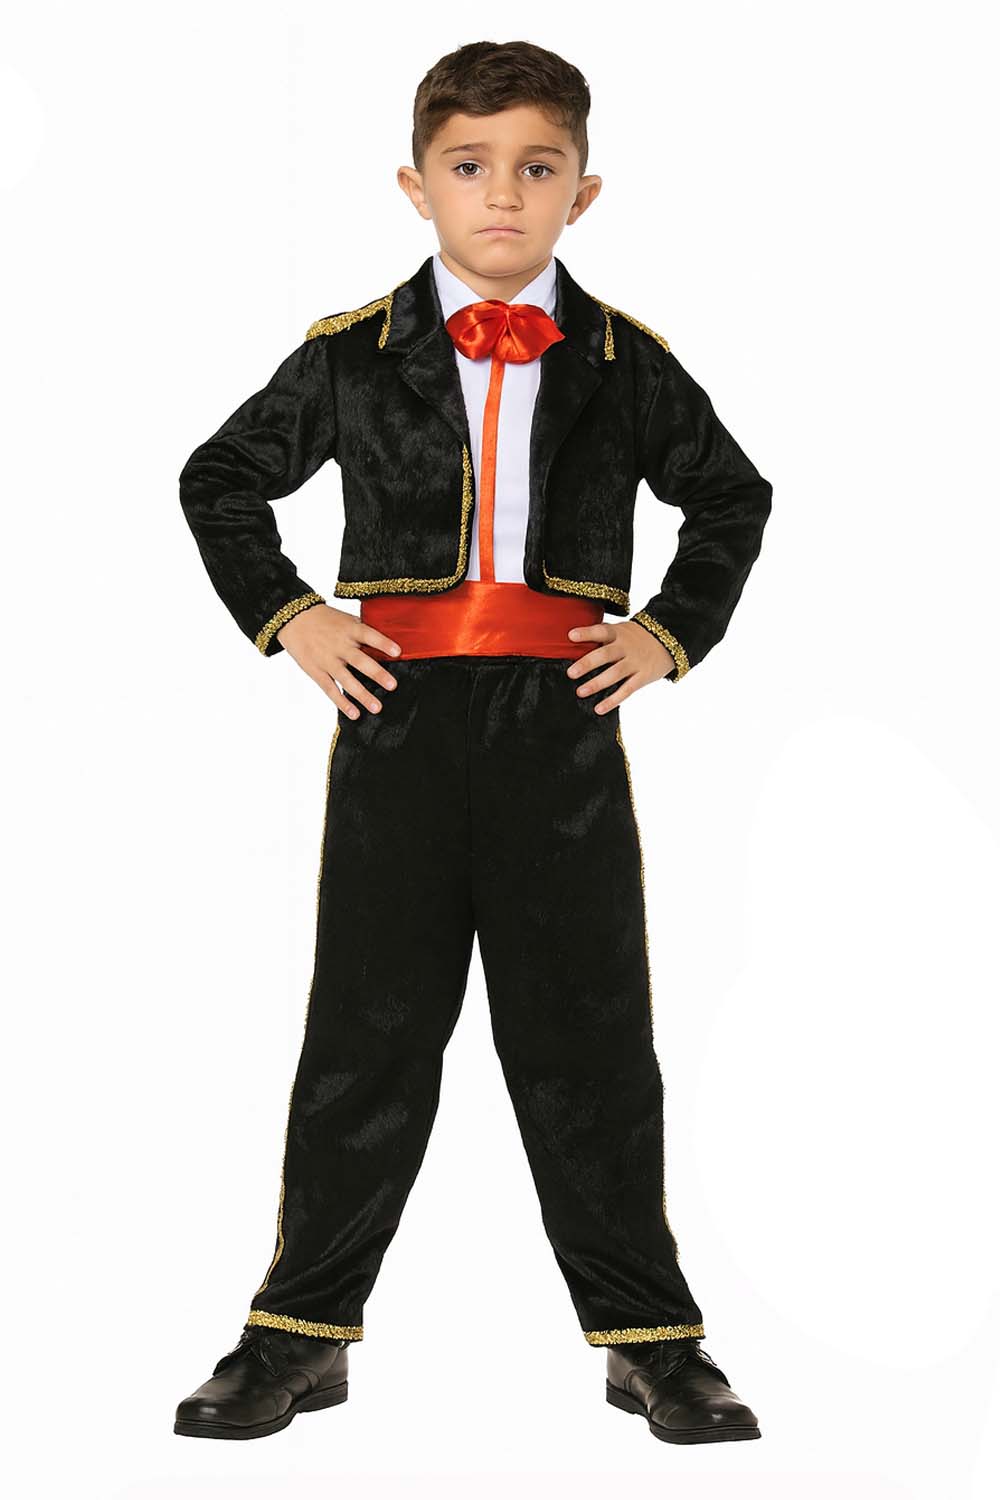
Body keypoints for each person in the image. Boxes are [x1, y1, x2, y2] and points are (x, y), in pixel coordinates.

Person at [173, 39, 772, 1446]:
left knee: (588, 1034)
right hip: (398, 717)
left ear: (583, 192)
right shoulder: (351, 355)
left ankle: (651, 1338)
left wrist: (667, 632)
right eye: (469, 166)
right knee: (367, 1028)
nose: (502, 194)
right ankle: (298, 1332)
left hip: (561, 723)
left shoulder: (624, 362)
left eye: (536, 167)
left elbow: (732, 497)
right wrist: (293, 617)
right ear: (417, 185)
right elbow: (220, 478)